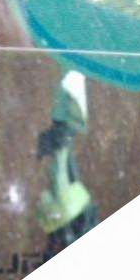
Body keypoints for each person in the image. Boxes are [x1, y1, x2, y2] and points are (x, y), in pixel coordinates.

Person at [36, 69, 97, 260]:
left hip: (69, 216)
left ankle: (63, 132)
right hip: (71, 216)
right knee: (61, 164)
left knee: (61, 165)